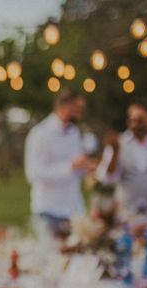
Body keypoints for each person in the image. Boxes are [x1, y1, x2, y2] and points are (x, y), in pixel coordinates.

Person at [24, 90, 96, 236]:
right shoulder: (40, 134)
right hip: (49, 210)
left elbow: (75, 170)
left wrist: (87, 167)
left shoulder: (74, 133)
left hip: (73, 210)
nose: (81, 113)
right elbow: (33, 173)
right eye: (78, 108)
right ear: (65, 106)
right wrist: (70, 166)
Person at [95, 101, 147, 217]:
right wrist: (115, 152)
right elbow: (107, 178)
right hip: (126, 213)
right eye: (132, 120)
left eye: (140, 120)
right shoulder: (120, 143)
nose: (136, 125)